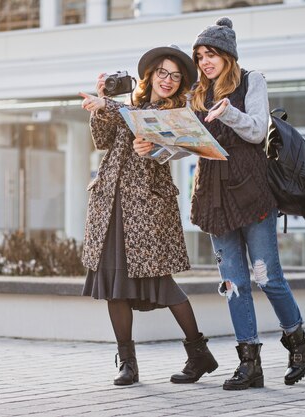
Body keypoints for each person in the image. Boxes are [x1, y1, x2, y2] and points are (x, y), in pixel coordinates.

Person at [141, 17, 305, 391]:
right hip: (213, 196)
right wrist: (156, 149)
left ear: (228, 55)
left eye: (211, 54)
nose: (205, 61)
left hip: (252, 191)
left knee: (267, 276)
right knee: (234, 283)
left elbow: (257, 129)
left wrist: (230, 113)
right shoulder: (194, 94)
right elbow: (186, 143)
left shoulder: (252, 80)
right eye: (200, 55)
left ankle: (298, 340)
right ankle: (249, 363)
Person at [79, 45, 218, 387]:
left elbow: (168, 151)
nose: (168, 80)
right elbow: (102, 141)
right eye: (162, 73)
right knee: (115, 287)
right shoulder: (130, 107)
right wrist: (100, 109)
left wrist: (150, 143)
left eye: (175, 75)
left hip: (147, 211)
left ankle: (198, 351)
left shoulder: (177, 112)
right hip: (111, 205)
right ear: (151, 75)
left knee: (161, 284)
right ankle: (128, 362)